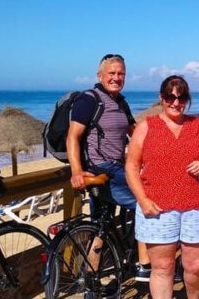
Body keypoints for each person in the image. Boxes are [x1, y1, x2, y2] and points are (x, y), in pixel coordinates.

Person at [125, 75, 199, 299]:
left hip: (196, 206)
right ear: (161, 98)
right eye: (170, 97)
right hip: (157, 207)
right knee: (163, 267)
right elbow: (131, 166)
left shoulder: (197, 125)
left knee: (194, 267)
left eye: (181, 97)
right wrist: (143, 200)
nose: (176, 102)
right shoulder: (146, 126)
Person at [66, 53, 151, 281]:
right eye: (111, 73)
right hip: (102, 169)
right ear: (100, 75)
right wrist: (76, 171)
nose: (116, 77)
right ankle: (144, 265)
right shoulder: (89, 99)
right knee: (148, 202)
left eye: (120, 73)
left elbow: (135, 132)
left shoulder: (120, 101)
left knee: (101, 225)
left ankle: (89, 281)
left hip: (114, 168)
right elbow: (72, 137)